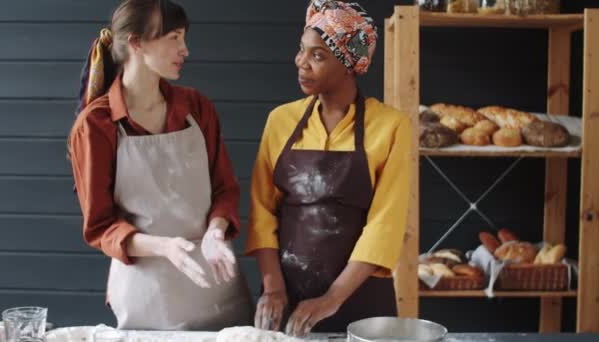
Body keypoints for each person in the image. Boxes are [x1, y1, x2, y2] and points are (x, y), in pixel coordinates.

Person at [68, 0, 253, 330]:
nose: (185, 49)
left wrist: (215, 232)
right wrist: (165, 247)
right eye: (174, 37)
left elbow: (225, 188)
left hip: (215, 286)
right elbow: (100, 227)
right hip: (147, 297)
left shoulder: (198, 107)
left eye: (184, 38)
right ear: (137, 43)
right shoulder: (96, 125)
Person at [246, 0, 413, 336]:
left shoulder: (391, 126)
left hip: (362, 300)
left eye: (318, 55)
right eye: (301, 50)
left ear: (350, 64)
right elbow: (262, 212)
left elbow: (385, 223)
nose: (301, 63)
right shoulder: (280, 120)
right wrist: (274, 288)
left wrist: (333, 297)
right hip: (286, 295)